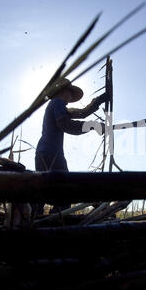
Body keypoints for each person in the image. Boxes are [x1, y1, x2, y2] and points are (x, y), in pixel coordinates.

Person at [33, 78, 108, 215]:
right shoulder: (57, 103)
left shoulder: (57, 105)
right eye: (70, 93)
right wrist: (92, 125)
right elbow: (65, 125)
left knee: (44, 188)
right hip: (52, 152)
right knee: (65, 188)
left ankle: (35, 219)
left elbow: (82, 113)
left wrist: (99, 100)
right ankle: (56, 221)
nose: (71, 97)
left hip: (43, 151)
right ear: (63, 91)